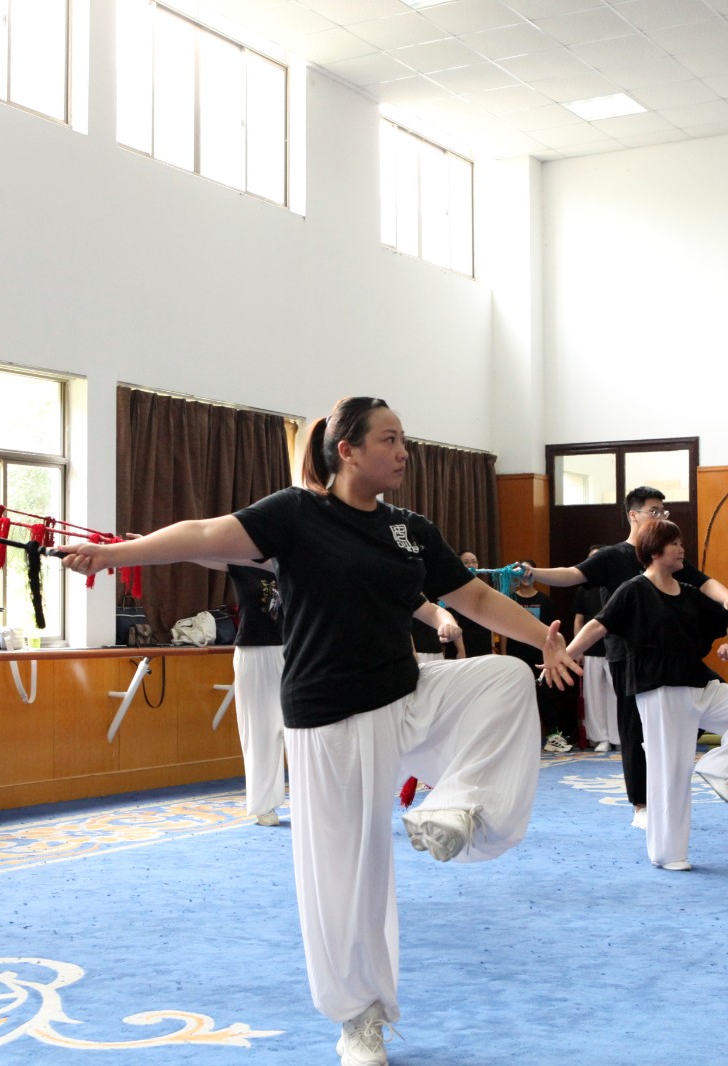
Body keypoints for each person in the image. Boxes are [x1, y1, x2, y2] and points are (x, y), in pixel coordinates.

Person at [56, 396, 579, 1066]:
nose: (403, 452)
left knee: (504, 680)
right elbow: (204, 534)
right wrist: (114, 553)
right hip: (329, 717)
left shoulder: (410, 530)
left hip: (404, 695)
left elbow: (472, 597)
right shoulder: (296, 514)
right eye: (389, 439)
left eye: (405, 439)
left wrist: (542, 639)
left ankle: (455, 806)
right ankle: (359, 1018)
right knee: (349, 877)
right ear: (347, 450)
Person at [564, 520, 728, 872]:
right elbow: (598, 626)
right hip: (660, 690)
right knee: (671, 774)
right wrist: (565, 655)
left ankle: (719, 768)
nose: (681, 549)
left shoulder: (690, 593)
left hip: (699, 684)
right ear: (654, 551)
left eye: (680, 542)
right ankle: (668, 854)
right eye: (674, 543)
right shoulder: (634, 590)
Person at [524, 487, 728, 828]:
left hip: (670, 655)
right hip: (626, 656)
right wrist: (533, 573)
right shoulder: (613, 557)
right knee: (633, 728)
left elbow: (704, 582)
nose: (660, 516)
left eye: (664, 511)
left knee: (703, 705)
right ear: (633, 515)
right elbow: (572, 575)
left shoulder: (667, 552)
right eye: (654, 511)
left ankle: (678, 762)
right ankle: (641, 804)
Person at [227, 563, 288, 825]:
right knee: (260, 731)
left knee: (297, 729)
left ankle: (311, 797)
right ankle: (263, 804)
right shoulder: (240, 564)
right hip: (253, 653)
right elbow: (197, 552)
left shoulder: (291, 564)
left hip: (290, 651)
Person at [503, 561, 572, 753]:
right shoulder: (510, 599)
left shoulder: (545, 600)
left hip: (541, 655)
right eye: (521, 572)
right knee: (518, 695)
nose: (525, 576)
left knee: (546, 694)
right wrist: (503, 653)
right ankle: (517, 739)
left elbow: (551, 631)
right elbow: (504, 629)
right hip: (516, 654)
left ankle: (552, 736)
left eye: (528, 572)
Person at [572, 545, 618, 753]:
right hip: (591, 648)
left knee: (617, 694)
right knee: (595, 696)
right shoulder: (584, 589)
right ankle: (601, 737)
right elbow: (579, 620)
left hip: (615, 648)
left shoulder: (618, 585)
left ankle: (619, 736)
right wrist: (578, 649)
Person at [448, 550, 495, 659]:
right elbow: (453, 623)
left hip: (484, 647)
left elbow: (491, 622)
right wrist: (461, 650)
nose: (471, 565)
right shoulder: (454, 589)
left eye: (474, 562)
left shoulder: (484, 588)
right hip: (464, 649)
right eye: (466, 562)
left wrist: (492, 647)